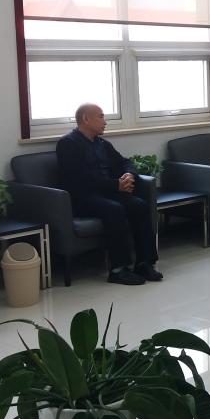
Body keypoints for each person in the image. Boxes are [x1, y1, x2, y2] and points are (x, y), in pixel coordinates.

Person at [56, 104, 162, 285]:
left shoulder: (102, 144)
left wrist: (129, 175)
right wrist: (116, 185)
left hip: (108, 192)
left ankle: (144, 263)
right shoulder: (68, 144)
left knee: (139, 205)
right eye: (101, 117)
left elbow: (125, 162)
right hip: (82, 197)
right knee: (114, 209)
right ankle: (118, 269)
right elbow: (79, 178)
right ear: (86, 119)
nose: (105, 122)